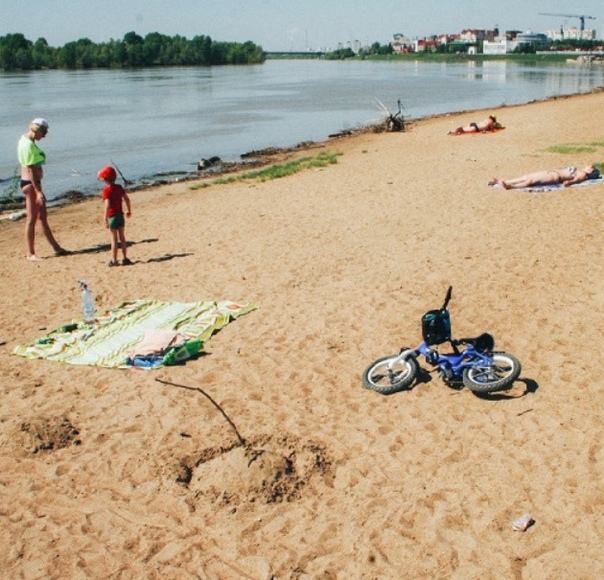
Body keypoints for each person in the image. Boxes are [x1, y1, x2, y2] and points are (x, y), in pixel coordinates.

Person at [18, 118, 68, 260]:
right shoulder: (28, 145)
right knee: (32, 219)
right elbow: (31, 170)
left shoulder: (25, 140)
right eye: (43, 133)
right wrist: (38, 192)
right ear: (37, 130)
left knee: (42, 217)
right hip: (31, 184)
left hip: (32, 183)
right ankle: (31, 253)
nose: (44, 136)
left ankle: (56, 248)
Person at [98, 165, 132, 266]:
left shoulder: (106, 190)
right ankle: (125, 258)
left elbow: (107, 205)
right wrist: (128, 210)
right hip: (120, 216)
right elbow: (127, 199)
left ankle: (114, 260)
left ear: (105, 179)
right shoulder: (119, 187)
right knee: (122, 237)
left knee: (114, 239)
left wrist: (105, 218)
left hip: (112, 216)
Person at [489, 165, 601, 190]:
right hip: (551, 172)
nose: (589, 165)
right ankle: (503, 181)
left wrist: (569, 183)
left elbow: (575, 181)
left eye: (591, 167)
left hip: (555, 176)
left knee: (530, 180)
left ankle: (510, 186)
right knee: (527, 176)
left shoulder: (583, 175)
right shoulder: (581, 171)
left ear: (591, 172)